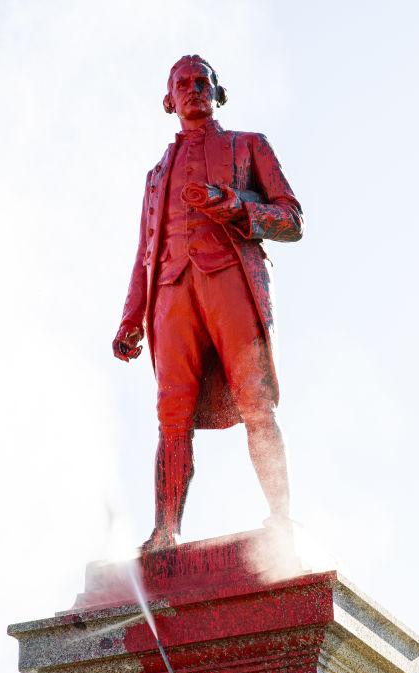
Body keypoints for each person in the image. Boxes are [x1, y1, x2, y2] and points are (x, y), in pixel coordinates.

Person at [113, 55, 303, 551]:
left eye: (203, 83)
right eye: (183, 84)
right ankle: (165, 532)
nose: (194, 90)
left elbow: (292, 220)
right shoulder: (155, 176)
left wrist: (237, 205)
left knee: (256, 402)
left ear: (218, 94)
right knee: (170, 416)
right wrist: (131, 318)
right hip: (172, 297)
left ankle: (282, 520)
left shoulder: (249, 146)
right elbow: (144, 253)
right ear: (168, 100)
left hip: (231, 285)